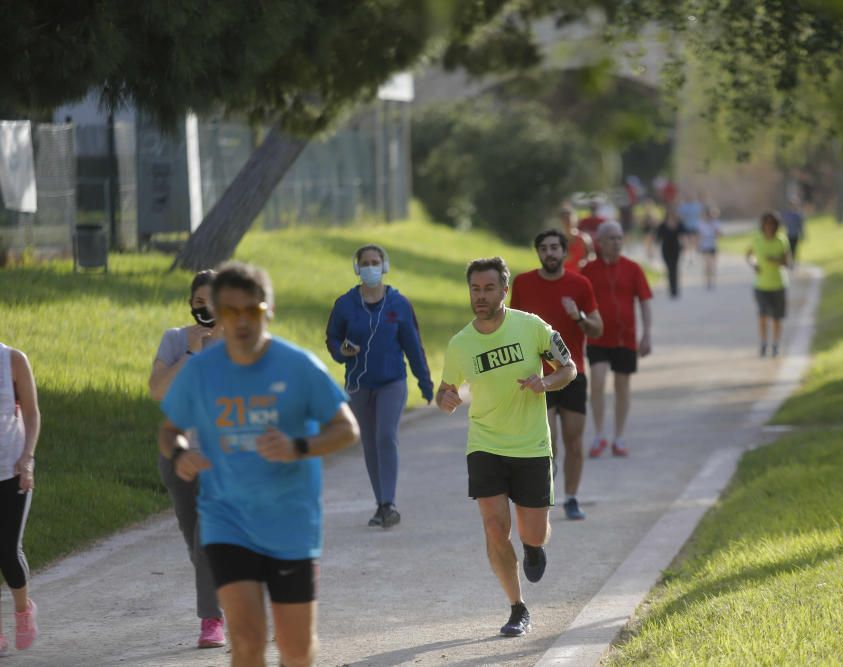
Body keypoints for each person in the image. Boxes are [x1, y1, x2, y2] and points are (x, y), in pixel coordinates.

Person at [158, 261, 360, 667]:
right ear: (216, 312)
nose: (241, 321)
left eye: (251, 309)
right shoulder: (200, 371)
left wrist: (297, 446)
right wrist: (181, 454)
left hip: (290, 520)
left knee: (296, 649)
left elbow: (346, 429)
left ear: (268, 309)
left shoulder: (298, 365)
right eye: (230, 311)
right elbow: (169, 430)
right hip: (227, 519)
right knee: (247, 641)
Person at [436, 257, 576, 637]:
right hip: (485, 444)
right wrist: (444, 399)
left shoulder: (531, 327)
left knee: (533, 532)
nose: (480, 297)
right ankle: (517, 607)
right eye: (475, 289)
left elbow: (569, 368)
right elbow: (445, 389)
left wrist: (545, 384)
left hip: (531, 444)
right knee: (495, 528)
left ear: (504, 289)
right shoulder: (460, 343)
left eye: (488, 288)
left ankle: (532, 548)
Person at [325, 244, 434, 529]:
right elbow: (332, 339)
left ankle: (389, 503)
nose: (371, 267)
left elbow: (414, 346)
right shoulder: (345, 304)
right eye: (366, 262)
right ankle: (380, 504)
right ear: (357, 268)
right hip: (359, 384)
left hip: (392, 382)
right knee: (370, 443)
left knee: (386, 436)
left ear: (384, 267)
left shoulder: (398, 304)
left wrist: (425, 383)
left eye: (376, 262)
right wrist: (342, 352)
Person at [148, 270, 225, 648]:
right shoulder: (176, 340)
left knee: (206, 536)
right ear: (191, 304)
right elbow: (158, 390)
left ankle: (211, 619)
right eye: (199, 301)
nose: (205, 307)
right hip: (178, 452)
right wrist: (192, 353)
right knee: (193, 538)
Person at [510, 230, 603, 521]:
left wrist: (578, 317)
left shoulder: (580, 284)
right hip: (538, 376)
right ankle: (545, 489)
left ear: (565, 252)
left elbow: (597, 329)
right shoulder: (523, 283)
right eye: (544, 248)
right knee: (546, 440)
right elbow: (511, 327)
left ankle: (572, 497)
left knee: (574, 440)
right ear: (538, 252)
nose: (549, 253)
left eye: (555, 248)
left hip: (573, 373)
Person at [582, 221, 653, 458]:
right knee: (598, 381)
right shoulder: (588, 270)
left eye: (619, 238)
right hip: (598, 338)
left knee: (623, 386)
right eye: (611, 238)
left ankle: (619, 437)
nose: (616, 243)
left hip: (626, 338)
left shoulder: (633, 269)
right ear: (599, 243)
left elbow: (644, 302)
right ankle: (599, 435)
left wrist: (647, 334)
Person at [0, 343, 39, 654]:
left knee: (8, 551)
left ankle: (23, 610)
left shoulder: (12, 360)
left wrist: (28, 457)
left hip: (12, 469)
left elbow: (31, 412)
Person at [746, 211, 791, 358]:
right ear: (763, 225)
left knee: (777, 318)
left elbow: (787, 262)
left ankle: (776, 344)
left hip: (779, 284)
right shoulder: (757, 239)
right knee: (763, 315)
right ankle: (764, 342)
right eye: (767, 223)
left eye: (772, 224)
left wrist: (775, 261)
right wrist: (754, 264)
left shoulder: (781, 240)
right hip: (761, 285)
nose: (769, 226)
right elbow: (749, 255)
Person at [655, 208, 684, 299]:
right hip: (666, 249)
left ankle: (675, 289)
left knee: (674, 268)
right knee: (669, 269)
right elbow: (658, 237)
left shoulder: (679, 224)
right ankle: (671, 289)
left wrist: (685, 245)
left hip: (676, 248)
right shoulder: (662, 225)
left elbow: (683, 235)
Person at [557, 204, 594, 273]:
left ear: (575, 219)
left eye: (569, 218)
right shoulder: (557, 240)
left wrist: (586, 261)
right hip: (564, 277)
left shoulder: (584, 238)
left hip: (581, 276)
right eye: (564, 219)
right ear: (560, 221)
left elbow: (592, 255)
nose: (567, 222)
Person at [698, 206, 724, 289]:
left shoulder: (716, 223)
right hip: (704, 247)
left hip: (713, 245)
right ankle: (707, 281)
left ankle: (712, 281)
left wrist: (716, 232)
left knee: (713, 265)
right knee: (707, 265)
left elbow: (720, 235)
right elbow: (698, 235)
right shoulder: (701, 224)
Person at [781, 200, 805, 267]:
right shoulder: (787, 214)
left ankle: (793, 261)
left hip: (795, 235)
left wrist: (802, 234)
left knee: (794, 249)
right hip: (788, 234)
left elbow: (801, 225)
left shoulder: (798, 215)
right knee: (789, 249)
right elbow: (784, 223)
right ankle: (790, 261)